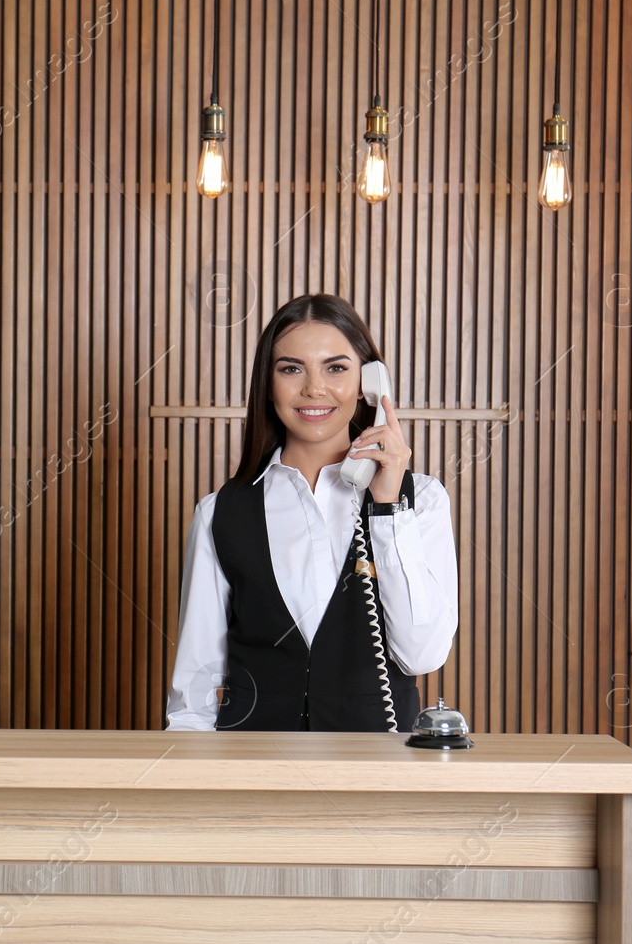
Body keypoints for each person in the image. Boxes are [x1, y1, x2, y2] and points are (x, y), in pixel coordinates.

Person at [166, 294, 458, 732]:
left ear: (368, 382)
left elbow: (422, 654)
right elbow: (195, 689)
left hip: (379, 774)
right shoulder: (218, 513)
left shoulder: (423, 501)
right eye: (291, 369)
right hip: (254, 773)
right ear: (268, 383)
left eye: (336, 368)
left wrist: (386, 509)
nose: (314, 389)